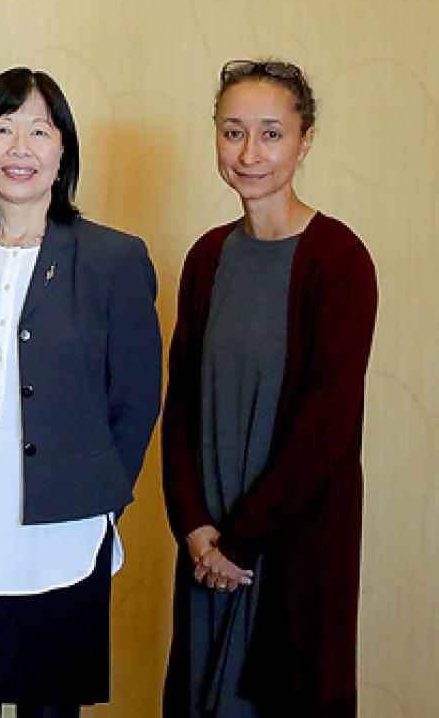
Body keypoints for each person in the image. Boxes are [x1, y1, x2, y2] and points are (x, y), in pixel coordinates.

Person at [0, 68, 163, 717]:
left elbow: (137, 398)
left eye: (39, 130)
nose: (20, 147)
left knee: (53, 706)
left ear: (63, 151)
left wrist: (98, 497)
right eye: (3, 128)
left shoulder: (113, 258)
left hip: (64, 528)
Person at [161, 59, 378, 717]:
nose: (249, 153)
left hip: (287, 548)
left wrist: (240, 543)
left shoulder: (338, 260)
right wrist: (196, 528)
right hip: (209, 547)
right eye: (232, 133)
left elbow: (327, 426)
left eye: (271, 133)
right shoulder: (206, 257)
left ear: (305, 140)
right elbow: (182, 411)